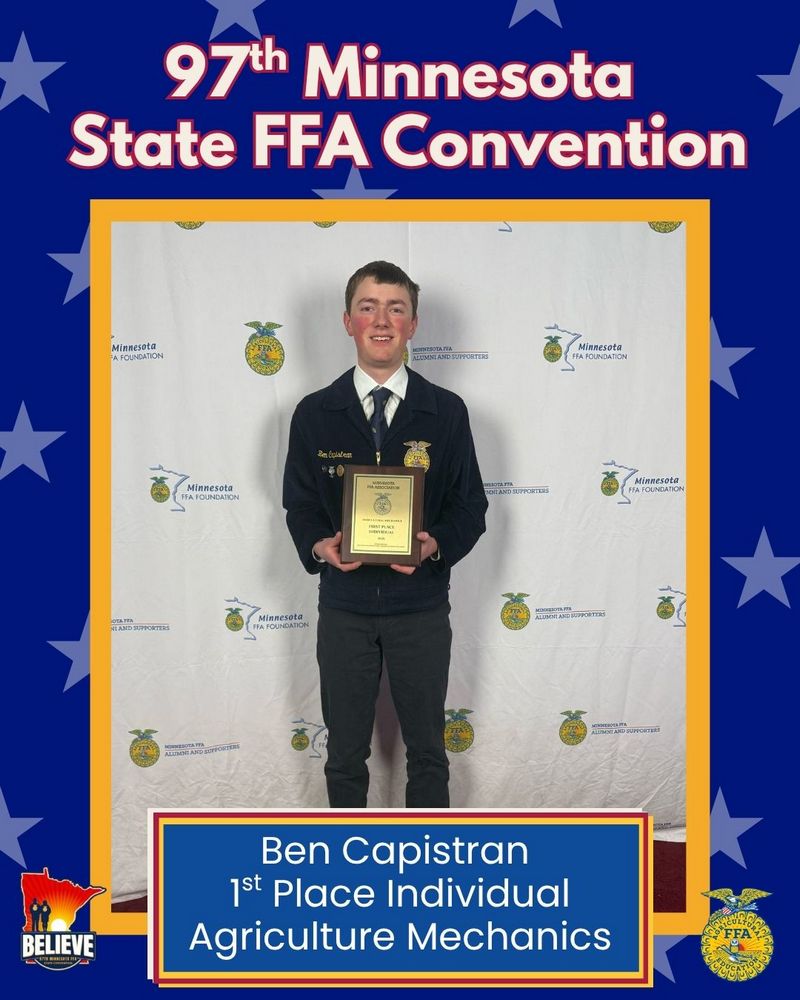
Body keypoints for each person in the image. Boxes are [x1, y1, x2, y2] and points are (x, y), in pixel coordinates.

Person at [283, 260, 487, 807]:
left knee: (429, 753)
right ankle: (350, 856)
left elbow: (471, 507)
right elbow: (299, 504)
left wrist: (435, 544)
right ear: (347, 321)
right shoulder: (313, 413)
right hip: (344, 608)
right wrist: (319, 545)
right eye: (367, 307)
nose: (381, 320)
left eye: (396, 309)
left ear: (413, 324)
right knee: (344, 755)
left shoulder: (446, 412)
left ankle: (426, 855)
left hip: (420, 608)